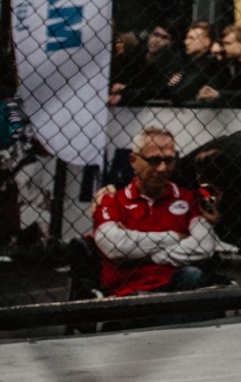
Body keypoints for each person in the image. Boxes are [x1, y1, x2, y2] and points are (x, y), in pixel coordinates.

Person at [88, 126, 217, 296]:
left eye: (169, 160)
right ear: (133, 160)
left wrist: (151, 256)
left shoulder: (189, 198)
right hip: (127, 290)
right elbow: (115, 246)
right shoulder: (111, 199)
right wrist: (176, 237)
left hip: (173, 286)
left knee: (192, 275)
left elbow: (204, 246)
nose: (162, 168)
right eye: (154, 160)